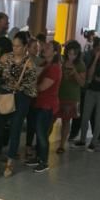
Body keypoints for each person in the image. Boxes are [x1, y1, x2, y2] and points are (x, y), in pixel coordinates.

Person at [0, 31, 38, 177]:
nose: (15, 48)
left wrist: (21, 87)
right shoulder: (6, 57)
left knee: (15, 129)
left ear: (25, 47)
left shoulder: (29, 64)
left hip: (21, 98)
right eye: (13, 45)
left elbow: (32, 87)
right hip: (5, 96)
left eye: (18, 46)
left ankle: (10, 162)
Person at [74, 36, 100, 152]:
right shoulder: (96, 58)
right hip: (91, 90)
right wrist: (96, 59)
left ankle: (93, 142)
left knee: (98, 118)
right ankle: (82, 140)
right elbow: (90, 75)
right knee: (85, 116)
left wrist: (98, 78)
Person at [26, 40, 62, 171]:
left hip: (47, 105)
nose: (44, 48)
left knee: (42, 133)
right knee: (38, 130)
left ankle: (44, 161)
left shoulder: (54, 68)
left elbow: (41, 87)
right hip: (39, 103)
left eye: (48, 47)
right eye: (45, 46)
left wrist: (27, 86)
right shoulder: (45, 64)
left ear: (55, 52)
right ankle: (38, 157)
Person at [56, 40, 86, 153]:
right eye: (69, 53)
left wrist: (75, 73)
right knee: (52, 118)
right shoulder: (61, 62)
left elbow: (82, 83)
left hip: (72, 96)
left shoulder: (80, 64)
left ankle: (62, 144)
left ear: (78, 54)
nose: (71, 56)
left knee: (66, 121)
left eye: (74, 54)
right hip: (59, 94)